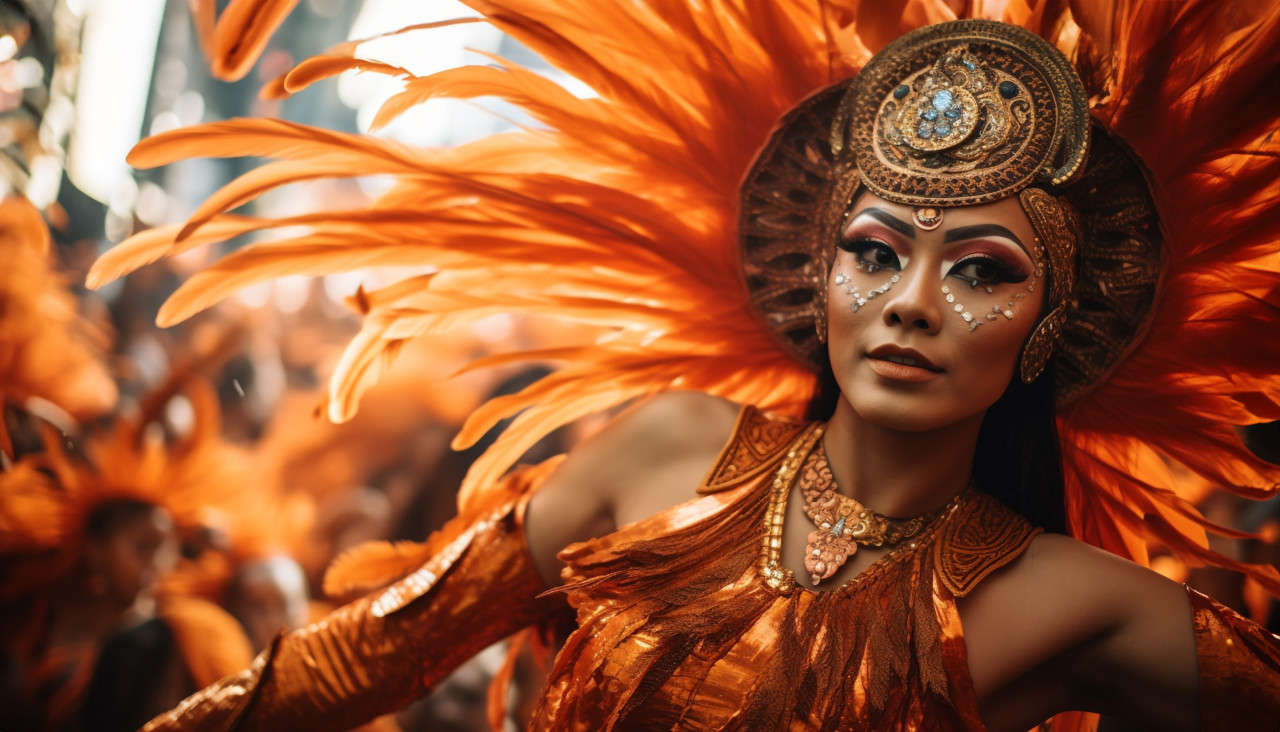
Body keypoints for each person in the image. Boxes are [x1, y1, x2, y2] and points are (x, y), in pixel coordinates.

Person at [91, 2, 1280, 730]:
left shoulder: (1072, 603)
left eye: (979, 272)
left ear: (1048, 324)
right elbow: (376, 652)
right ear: (817, 283)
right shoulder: (670, 447)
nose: (910, 305)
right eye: (873, 253)